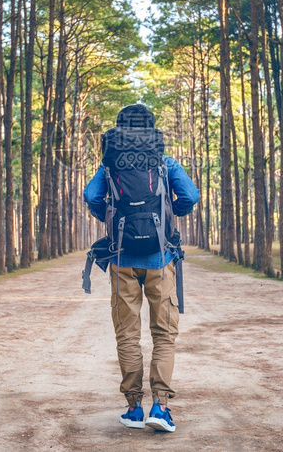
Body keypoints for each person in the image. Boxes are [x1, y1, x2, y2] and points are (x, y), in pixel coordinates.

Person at [83, 104, 199, 432]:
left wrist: (108, 217)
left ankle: (133, 408)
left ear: (119, 128)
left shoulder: (110, 164)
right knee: (163, 334)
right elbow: (190, 196)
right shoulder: (165, 163)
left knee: (127, 335)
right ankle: (160, 407)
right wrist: (169, 212)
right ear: (151, 129)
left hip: (121, 259)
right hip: (161, 258)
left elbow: (91, 196)